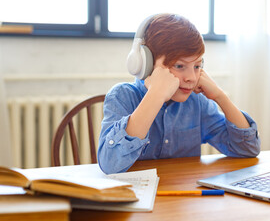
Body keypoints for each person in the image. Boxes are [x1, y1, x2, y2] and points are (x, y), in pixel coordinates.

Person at [98, 13, 260, 174]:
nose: (191, 78)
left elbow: (248, 149)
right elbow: (110, 165)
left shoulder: (197, 102)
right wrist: (156, 95)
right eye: (179, 66)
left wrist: (220, 96)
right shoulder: (122, 96)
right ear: (146, 64)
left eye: (197, 66)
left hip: (183, 195)